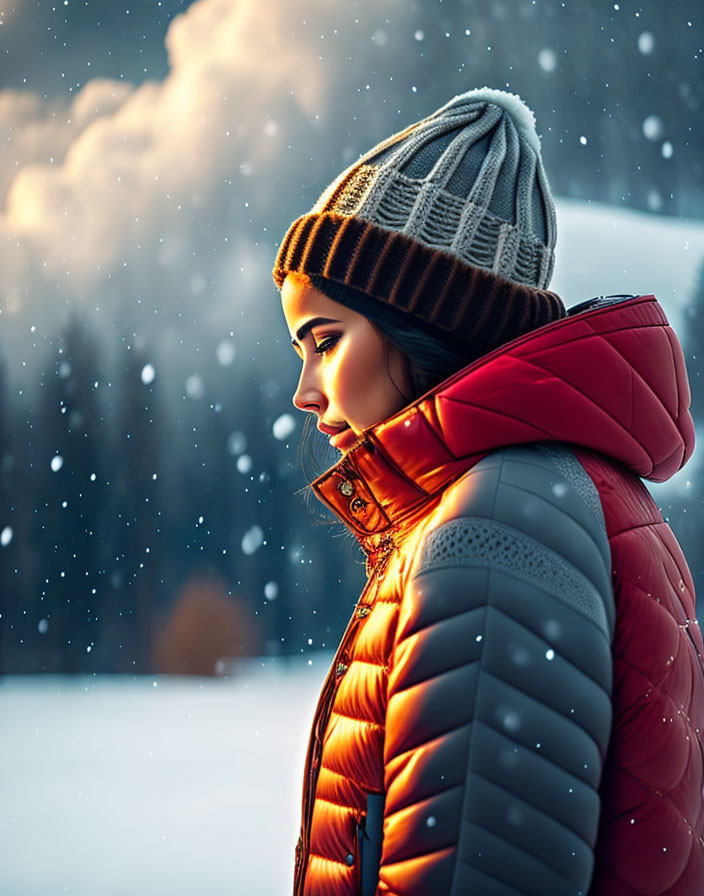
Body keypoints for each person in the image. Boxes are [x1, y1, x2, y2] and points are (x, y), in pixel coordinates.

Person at [273, 88, 704, 896]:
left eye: (326, 341)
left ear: (424, 323)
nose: (304, 390)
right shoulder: (566, 493)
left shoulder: (498, 530)